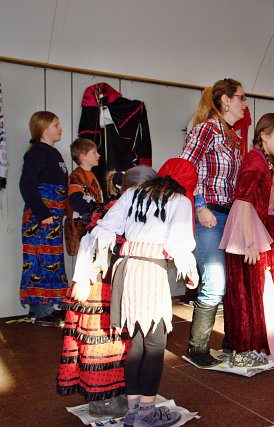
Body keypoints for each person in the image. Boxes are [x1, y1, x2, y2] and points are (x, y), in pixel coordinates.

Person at [85, 158, 198, 427]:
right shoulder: (180, 201)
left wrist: (101, 256)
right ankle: (146, 413)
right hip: (151, 270)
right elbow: (179, 243)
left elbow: (105, 227)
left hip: (126, 269)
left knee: (135, 344)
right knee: (155, 345)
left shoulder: (133, 194)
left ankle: (133, 410)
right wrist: (190, 270)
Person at [57, 166, 157, 418]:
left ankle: (117, 393)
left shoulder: (141, 212)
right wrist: (82, 278)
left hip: (119, 286)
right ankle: (102, 401)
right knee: (101, 344)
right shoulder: (114, 209)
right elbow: (90, 241)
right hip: (99, 287)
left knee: (121, 345)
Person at [180, 78, 246, 368]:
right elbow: (185, 168)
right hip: (209, 216)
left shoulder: (233, 137)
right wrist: (199, 206)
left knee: (229, 282)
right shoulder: (205, 129)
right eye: (241, 97)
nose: (245, 103)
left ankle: (230, 342)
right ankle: (197, 349)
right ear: (225, 100)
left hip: (229, 216)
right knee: (215, 282)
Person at [220, 113, 274, 361]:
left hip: (261, 232)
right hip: (253, 234)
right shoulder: (254, 161)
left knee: (260, 291)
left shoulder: (263, 160)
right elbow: (243, 202)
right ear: (263, 135)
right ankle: (249, 347)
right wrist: (250, 243)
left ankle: (259, 345)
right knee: (252, 293)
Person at [19, 111, 68, 326]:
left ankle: (45, 309)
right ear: (43, 128)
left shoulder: (53, 153)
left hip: (52, 220)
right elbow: (27, 184)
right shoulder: (38, 152)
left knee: (52, 261)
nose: (60, 128)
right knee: (40, 261)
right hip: (41, 220)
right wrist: (43, 213)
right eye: (56, 125)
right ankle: (41, 312)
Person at [64, 138, 103, 256]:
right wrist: (94, 209)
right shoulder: (77, 176)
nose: (98, 155)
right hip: (81, 228)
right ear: (82, 156)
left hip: (90, 225)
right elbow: (76, 201)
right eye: (94, 152)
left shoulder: (91, 174)